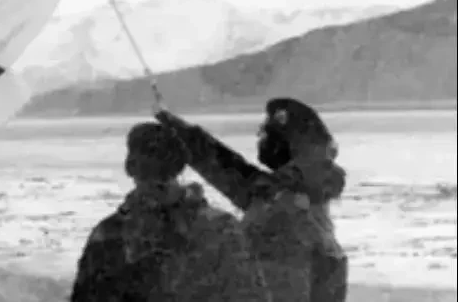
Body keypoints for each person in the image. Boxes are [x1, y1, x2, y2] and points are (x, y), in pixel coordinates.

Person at [155, 98, 348, 301]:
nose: (260, 138)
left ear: (287, 141)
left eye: (266, 133)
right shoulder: (288, 191)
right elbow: (225, 167)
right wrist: (176, 127)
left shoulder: (280, 208)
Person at [70, 122, 269, 301]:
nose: (156, 183)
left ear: (130, 168)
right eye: (149, 169)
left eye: (158, 170)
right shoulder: (221, 227)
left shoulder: (109, 233)